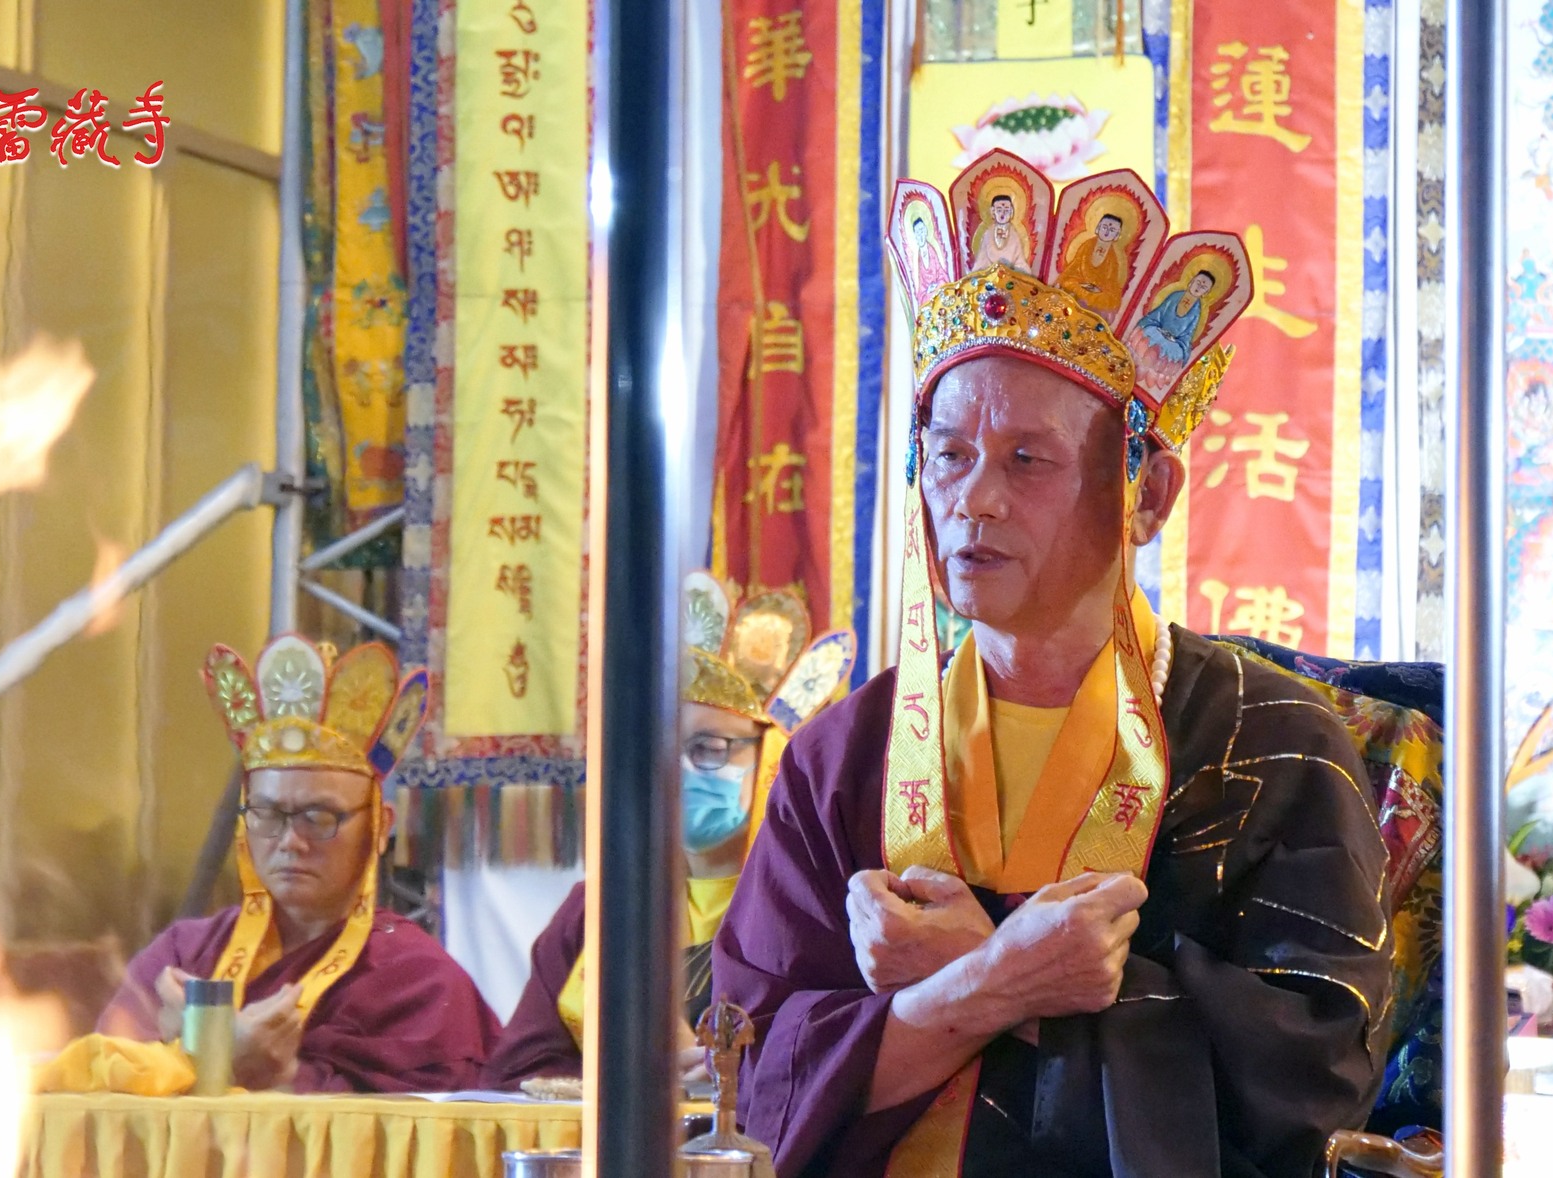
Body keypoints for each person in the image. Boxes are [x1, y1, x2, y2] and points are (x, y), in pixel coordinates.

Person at [714, 153, 1393, 1177]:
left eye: (1027, 461)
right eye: (949, 454)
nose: (973, 501)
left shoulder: (1270, 743)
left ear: (1147, 494)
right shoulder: (841, 758)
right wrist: (1001, 981)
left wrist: (979, 978)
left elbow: (1311, 1073)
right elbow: (750, 1070)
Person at [483, 576, 854, 1088]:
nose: (677, 772)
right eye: (662, 750)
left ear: (774, 761)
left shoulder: (815, 910)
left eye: (709, 749)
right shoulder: (599, 909)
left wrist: (738, 1076)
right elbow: (519, 1073)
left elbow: (840, 1059)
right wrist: (627, 1080)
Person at [96, 637, 502, 1093]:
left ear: (379, 826)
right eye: (267, 814)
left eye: (319, 817)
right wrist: (178, 1053)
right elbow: (95, 1088)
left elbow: (435, 1127)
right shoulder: (185, 954)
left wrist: (281, 1077)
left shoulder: (418, 981)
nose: (290, 841)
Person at [1056, 212, 1129, 317]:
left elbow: (1110, 281)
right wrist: (1079, 283)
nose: (1107, 232)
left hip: (1096, 290)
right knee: (1069, 285)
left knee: (1107, 299)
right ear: (1098, 228)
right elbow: (1074, 266)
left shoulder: (1113, 258)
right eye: (1104, 227)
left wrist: (1097, 288)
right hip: (1079, 284)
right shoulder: (1087, 246)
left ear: (1117, 235)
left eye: (1112, 230)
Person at [970, 193, 1031, 272]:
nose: (1003, 214)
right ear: (993, 212)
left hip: (1010, 274)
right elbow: (982, 260)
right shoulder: (988, 234)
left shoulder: (1014, 236)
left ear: (1011, 212)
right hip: (990, 274)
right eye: (999, 210)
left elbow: (1020, 261)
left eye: (1006, 210)